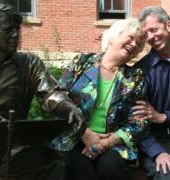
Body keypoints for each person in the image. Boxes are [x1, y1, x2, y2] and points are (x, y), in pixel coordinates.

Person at [0, 3, 86, 180]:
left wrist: (70, 109)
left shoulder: (28, 64)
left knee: (56, 163)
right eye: (7, 30)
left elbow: (50, 93)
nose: (15, 35)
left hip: (12, 149)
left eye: (17, 29)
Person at [56, 18, 150, 180]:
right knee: (79, 169)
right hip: (73, 138)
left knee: (110, 169)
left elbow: (139, 123)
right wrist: (83, 132)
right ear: (113, 37)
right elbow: (59, 99)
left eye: (139, 43)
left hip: (112, 145)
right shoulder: (82, 62)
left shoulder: (135, 77)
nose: (135, 45)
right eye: (130, 38)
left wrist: (105, 143)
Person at [132, 6, 170, 180]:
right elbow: (137, 122)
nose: (151, 38)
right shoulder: (142, 71)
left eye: (154, 30)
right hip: (157, 139)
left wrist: (164, 117)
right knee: (165, 173)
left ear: (168, 25)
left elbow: (161, 117)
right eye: (146, 34)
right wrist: (157, 152)